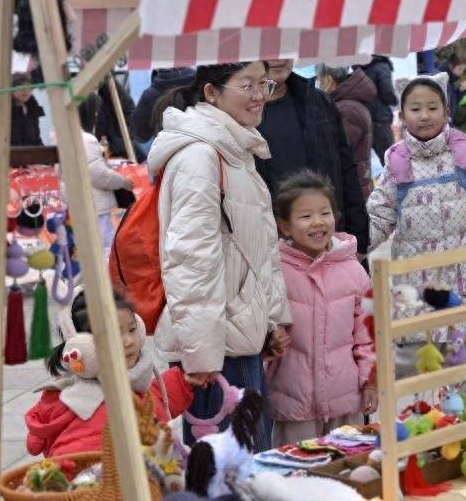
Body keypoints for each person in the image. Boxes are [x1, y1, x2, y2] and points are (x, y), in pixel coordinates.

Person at [148, 63, 292, 451]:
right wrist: (201, 354)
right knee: (228, 468)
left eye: (263, 84)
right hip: (216, 350)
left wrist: (272, 320)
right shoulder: (201, 157)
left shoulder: (235, 149)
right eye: (247, 85)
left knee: (250, 461)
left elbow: (258, 249)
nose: (259, 95)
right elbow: (190, 259)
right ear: (212, 92)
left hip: (238, 334)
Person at [367, 74, 466, 378]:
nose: (424, 116)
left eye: (432, 107)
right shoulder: (396, 163)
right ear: (402, 115)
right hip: (418, 284)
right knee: (416, 363)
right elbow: (379, 215)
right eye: (415, 109)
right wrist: (347, 245)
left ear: (446, 111)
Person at [267, 170, 377, 446]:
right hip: (294, 402)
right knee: (298, 466)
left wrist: (371, 381)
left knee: (349, 462)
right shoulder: (274, 271)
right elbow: (265, 321)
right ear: (285, 226)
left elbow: (370, 334)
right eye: (305, 216)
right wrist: (270, 338)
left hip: (345, 399)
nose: (317, 222)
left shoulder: (354, 271)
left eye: (325, 213)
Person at [25, 289, 200, 457]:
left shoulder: (122, 385)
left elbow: (146, 398)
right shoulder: (94, 412)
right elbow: (77, 459)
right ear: (85, 346)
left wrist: (182, 382)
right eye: (115, 334)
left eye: (132, 329)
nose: (129, 341)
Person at [256, 59, 369, 255]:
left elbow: (347, 171)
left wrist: (359, 237)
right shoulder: (241, 114)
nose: (278, 58)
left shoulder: (318, 101)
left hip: (332, 243)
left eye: (285, 48)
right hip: (273, 251)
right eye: (268, 49)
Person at [77, 93, 134, 258]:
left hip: (81, 202)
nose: (96, 116)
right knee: (104, 250)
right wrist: (123, 182)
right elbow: (98, 175)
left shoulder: (61, 135)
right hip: (96, 204)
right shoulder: (86, 140)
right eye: (95, 112)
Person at [315, 64, 376, 200]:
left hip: (352, 187)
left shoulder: (346, 110)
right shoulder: (346, 105)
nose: (317, 84)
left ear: (328, 80)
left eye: (318, 79)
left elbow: (335, 149)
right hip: (353, 184)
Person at [0, 71, 45, 146]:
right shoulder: (2, 109)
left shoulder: (33, 109)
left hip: (30, 153)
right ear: (11, 89)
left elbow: (36, 138)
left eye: (29, 87)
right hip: (6, 152)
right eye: (20, 86)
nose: (25, 90)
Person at [132, 67, 196, 143]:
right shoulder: (202, 86)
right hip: (201, 145)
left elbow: (140, 135)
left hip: (166, 146)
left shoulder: (150, 95)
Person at [355, 55, 398, 165]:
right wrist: (395, 100)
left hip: (362, 120)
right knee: (389, 158)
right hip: (379, 119)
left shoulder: (357, 69)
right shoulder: (382, 66)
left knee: (364, 161)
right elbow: (387, 93)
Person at [96, 78, 145, 163]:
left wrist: (119, 141)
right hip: (101, 146)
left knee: (141, 159)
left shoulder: (110, 86)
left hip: (119, 143)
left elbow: (130, 113)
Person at [440, 50, 466, 125]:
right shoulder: (443, 80)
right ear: (451, 66)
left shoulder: (450, 80)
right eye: (459, 69)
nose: (461, 72)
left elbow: (453, 102)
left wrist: (460, 91)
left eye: (463, 70)